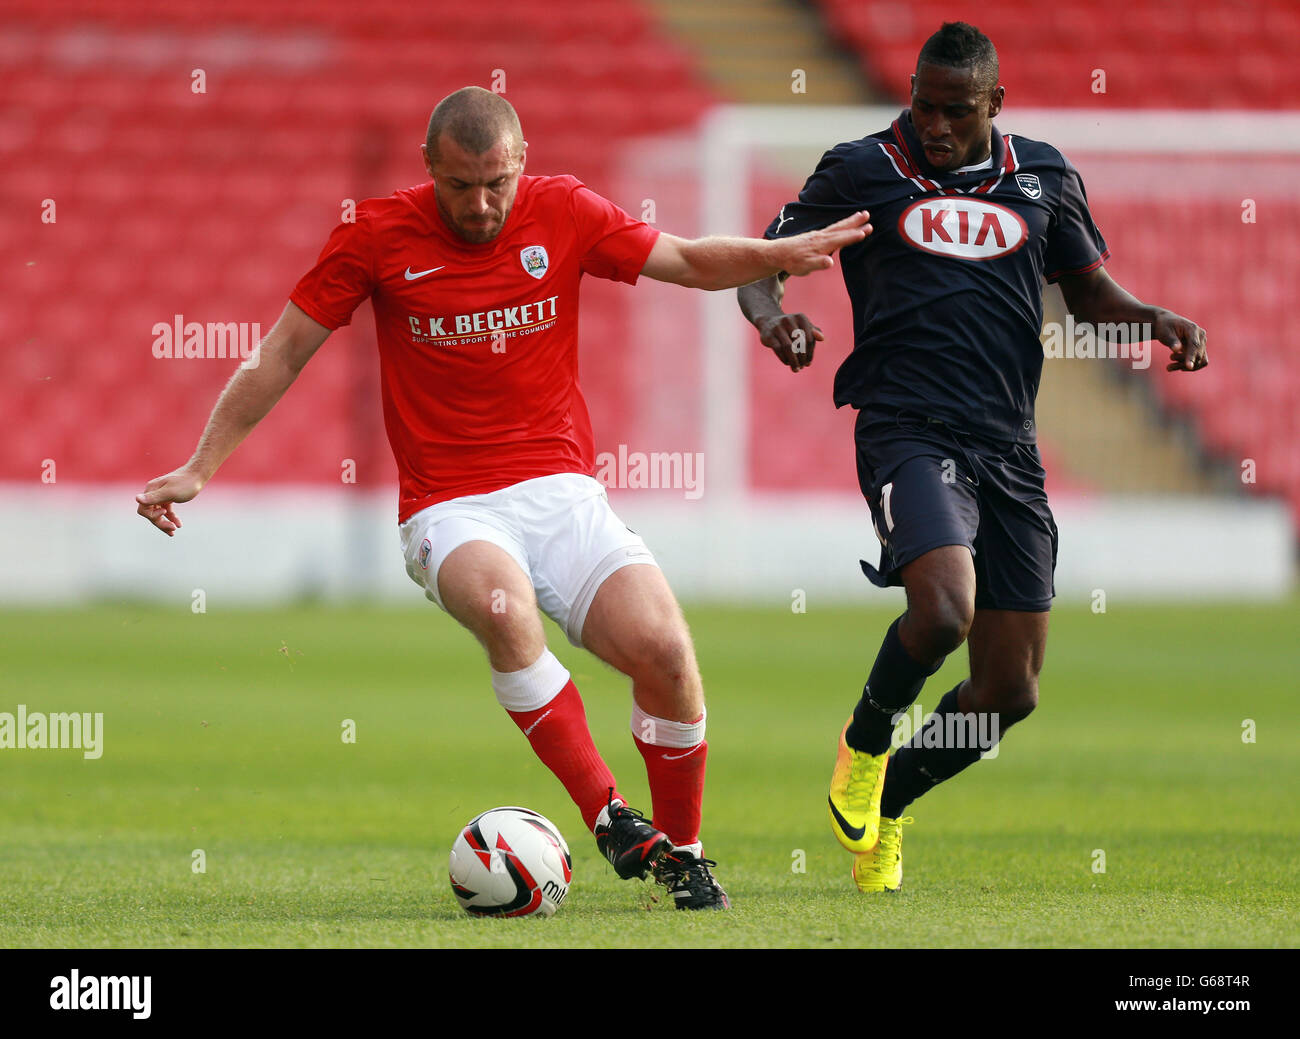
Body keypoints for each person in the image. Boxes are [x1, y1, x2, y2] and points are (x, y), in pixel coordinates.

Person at [136, 86, 867, 910]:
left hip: (562, 491)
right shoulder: (374, 234)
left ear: (522, 164)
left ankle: (683, 856)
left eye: (497, 184)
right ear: (428, 169)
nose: (481, 205)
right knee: (504, 609)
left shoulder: (564, 210)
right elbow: (277, 355)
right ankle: (608, 814)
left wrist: (783, 252)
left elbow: (691, 260)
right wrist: (200, 465)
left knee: (665, 651)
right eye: (460, 186)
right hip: (450, 505)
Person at [737, 23, 1207, 893]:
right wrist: (774, 320)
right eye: (924, 104)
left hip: (1008, 447)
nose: (938, 125)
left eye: (957, 111)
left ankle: (894, 802)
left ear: (996, 103)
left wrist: (1154, 320)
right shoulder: (862, 167)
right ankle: (866, 741)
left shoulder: (1046, 175)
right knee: (945, 610)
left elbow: (1089, 291)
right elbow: (760, 267)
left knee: (1008, 691)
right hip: (907, 427)